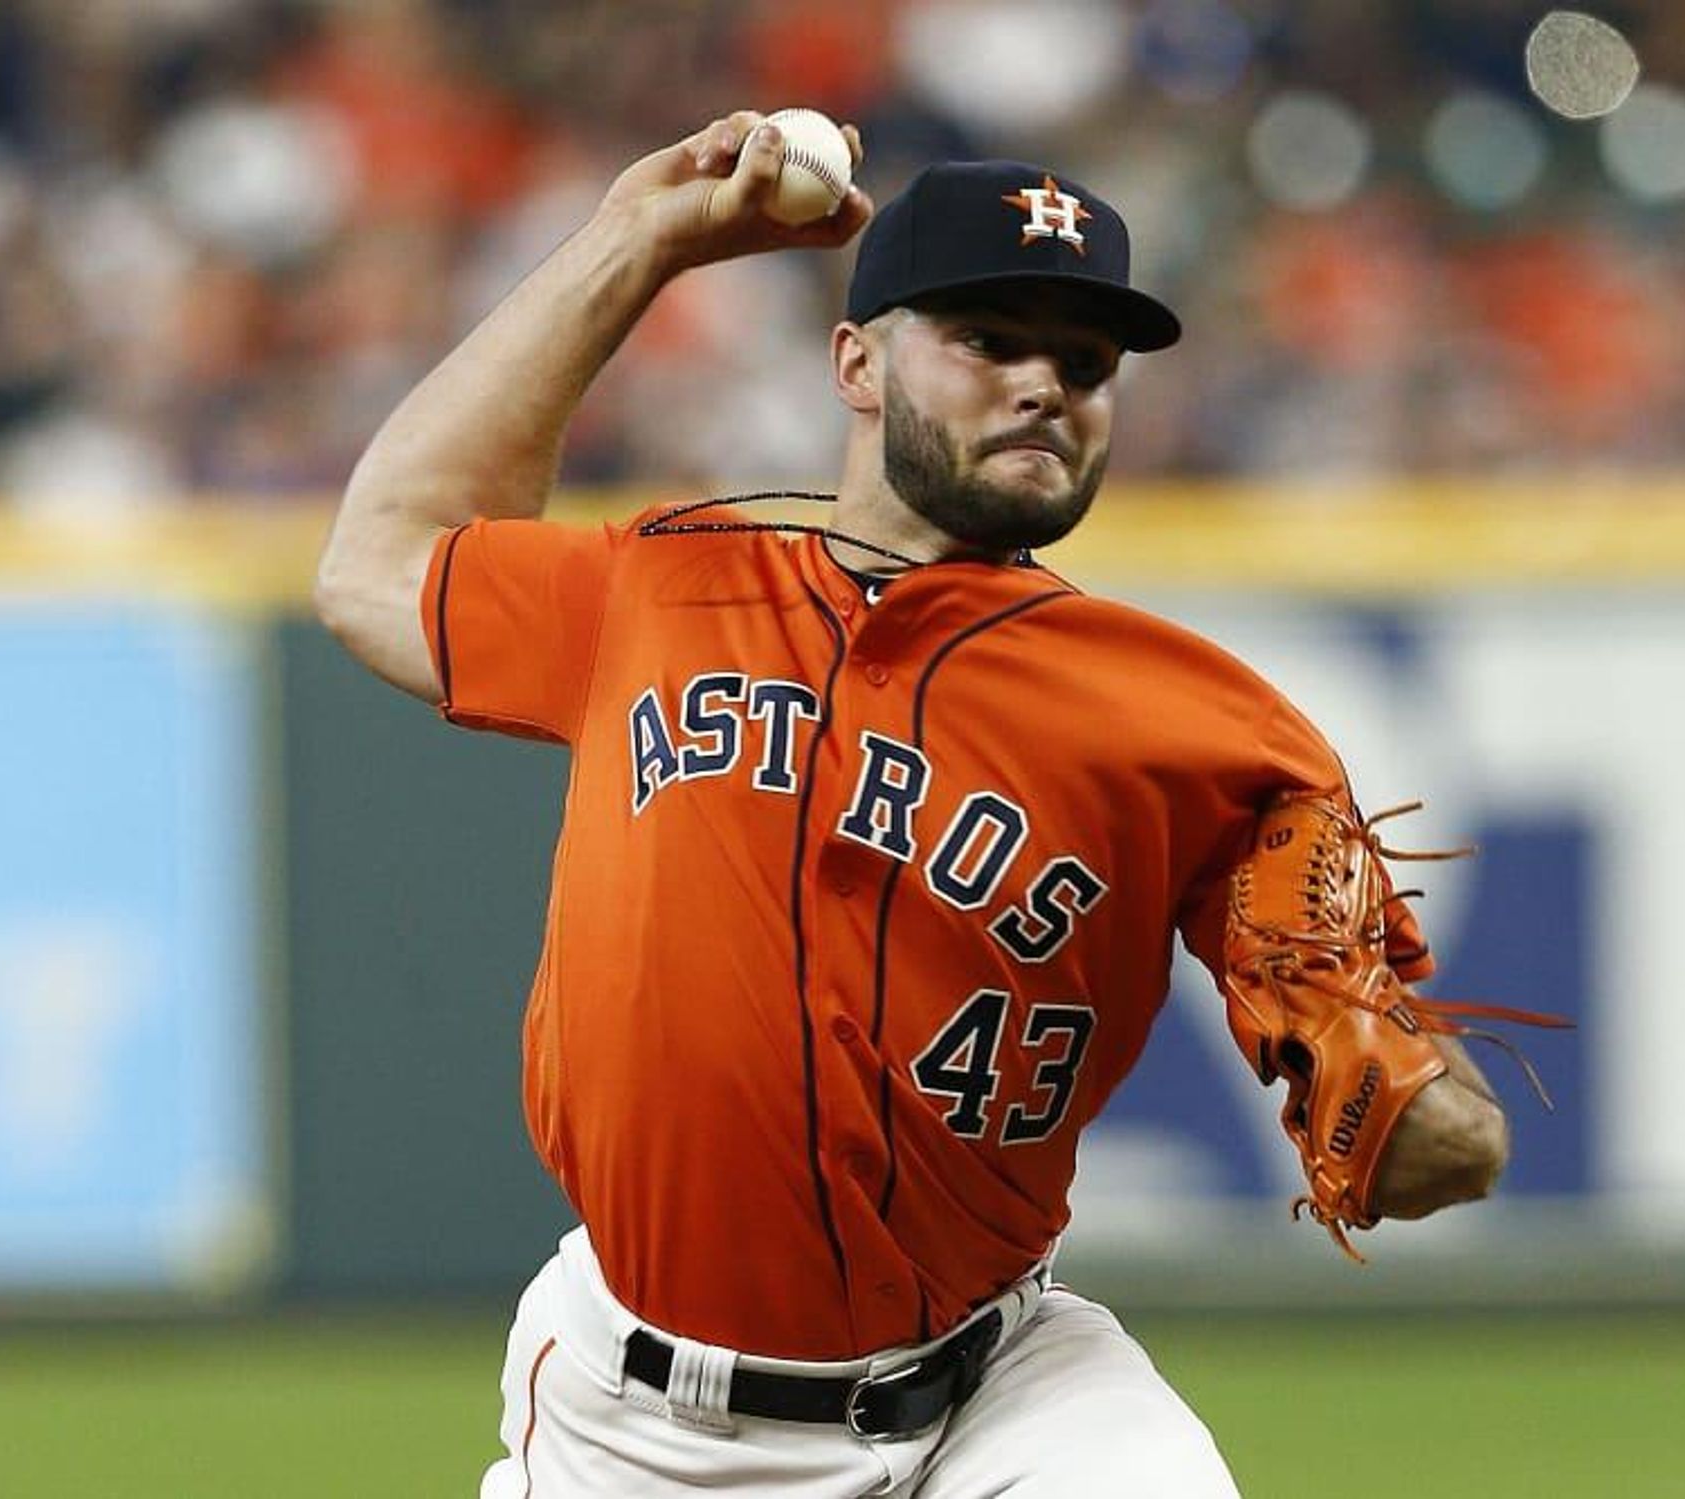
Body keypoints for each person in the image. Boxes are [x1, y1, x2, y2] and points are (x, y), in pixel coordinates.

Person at [315, 111, 1514, 1498]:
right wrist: (634, 243)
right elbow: (376, 564)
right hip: (636, 1429)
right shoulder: (661, 590)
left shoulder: (1200, 724)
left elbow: (1440, 1138)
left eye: (1084, 363)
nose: (1043, 385)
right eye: (987, 340)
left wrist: (1409, 1107)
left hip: (1005, 1394)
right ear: (857, 363)